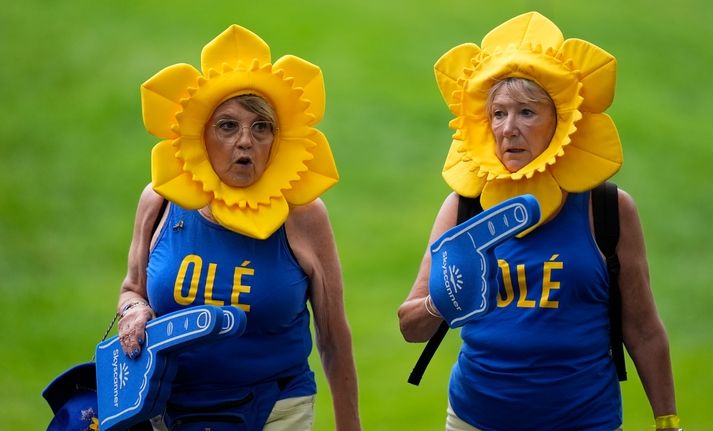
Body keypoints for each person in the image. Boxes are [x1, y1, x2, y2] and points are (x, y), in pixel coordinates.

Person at [398, 12, 680, 431]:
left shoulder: (608, 209)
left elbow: (642, 327)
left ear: (562, 121)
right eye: (498, 114)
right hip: (475, 419)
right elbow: (411, 327)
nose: (508, 129)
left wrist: (668, 421)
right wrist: (444, 299)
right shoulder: (464, 207)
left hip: (585, 420)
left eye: (527, 112)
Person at [116, 25, 361, 431]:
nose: (245, 141)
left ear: (278, 139)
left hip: (278, 407)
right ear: (201, 136)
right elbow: (131, 288)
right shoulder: (161, 200)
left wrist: (350, 426)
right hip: (169, 408)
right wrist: (133, 311)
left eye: (261, 127)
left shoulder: (302, 214)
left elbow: (333, 334)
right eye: (227, 126)